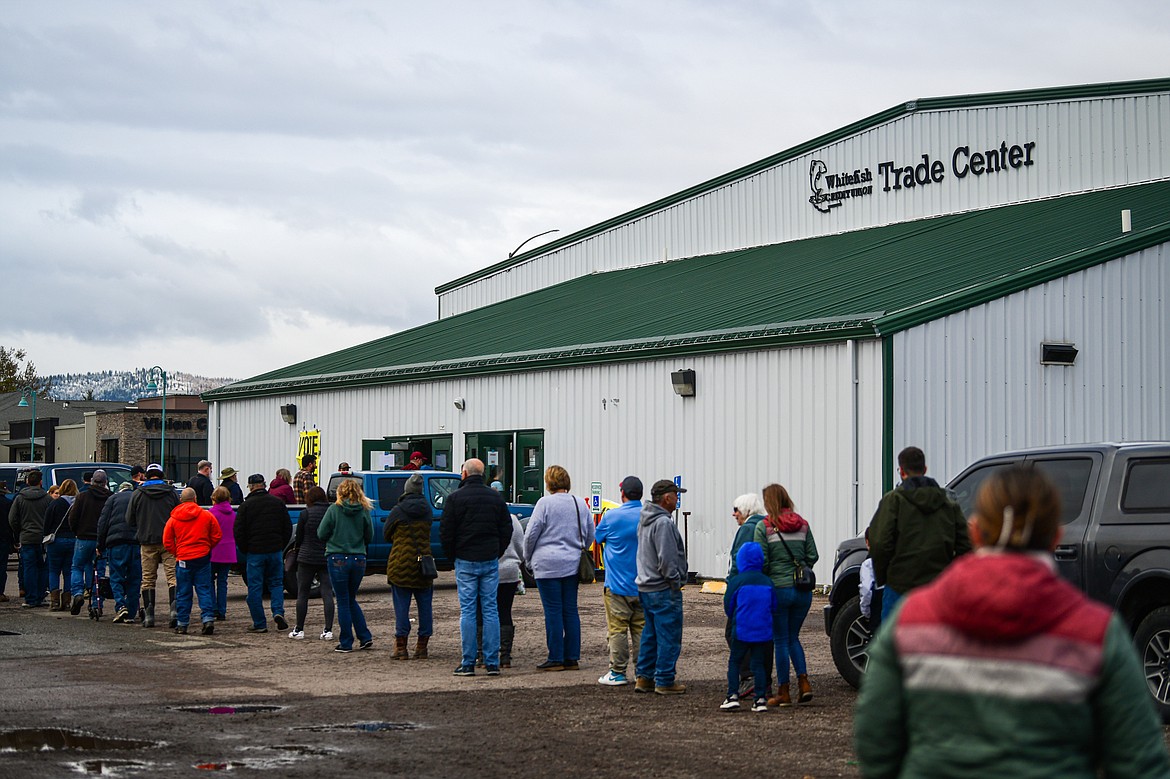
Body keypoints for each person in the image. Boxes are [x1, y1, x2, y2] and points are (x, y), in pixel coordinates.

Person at [855, 465, 1170, 778]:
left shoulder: (911, 621)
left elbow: (875, 740)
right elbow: (1140, 763)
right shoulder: (1097, 634)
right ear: (1055, 538)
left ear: (975, 532)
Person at [868, 445, 970, 622]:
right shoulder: (948, 504)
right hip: (938, 587)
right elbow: (966, 545)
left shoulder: (893, 501)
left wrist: (885, 575)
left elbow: (879, 543)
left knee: (893, 645)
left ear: (901, 471)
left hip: (899, 586)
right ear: (925, 469)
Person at [440, 458, 512, 677]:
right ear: (483, 475)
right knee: (491, 610)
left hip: (465, 559)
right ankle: (492, 662)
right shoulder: (495, 498)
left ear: (464, 474)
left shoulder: (454, 499)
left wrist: (453, 555)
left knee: (468, 611)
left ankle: (469, 661)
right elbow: (506, 529)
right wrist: (496, 551)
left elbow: (446, 532)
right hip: (489, 559)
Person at [523, 465, 595, 673]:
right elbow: (590, 532)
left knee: (553, 611)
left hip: (546, 564)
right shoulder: (579, 503)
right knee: (570, 610)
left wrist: (528, 558)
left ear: (548, 483)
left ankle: (555, 657)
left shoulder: (544, 503)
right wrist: (580, 549)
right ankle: (572, 656)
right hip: (572, 563)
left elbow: (531, 534)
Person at [753, 483, 818, 707]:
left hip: (778, 590)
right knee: (793, 637)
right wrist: (799, 567)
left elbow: (762, 561)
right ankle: (804, 683)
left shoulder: (764, 527)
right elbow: (813, 555)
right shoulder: (803, 525)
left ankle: (783, 691)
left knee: (780, 640)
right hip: (802, 590)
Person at [634, 479, 689, 695]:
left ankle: (644, 677)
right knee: (669, 635)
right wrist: (675, 582)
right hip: (663, 589)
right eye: (676, 495)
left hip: (646, 587)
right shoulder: (664, 523)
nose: (677, 499)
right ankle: (665, 679)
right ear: (667, 498)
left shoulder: (645, 519)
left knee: (650, 633)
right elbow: (666, 559)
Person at [594, 475, 644, 686]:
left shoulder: (611, 517)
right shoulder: (648, 516)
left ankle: (618, 671)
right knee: (642, 629)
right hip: (643, 583)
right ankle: (643, 672)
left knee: (617, 630)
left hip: (616, 585)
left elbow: (596, 538)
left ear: (622, 493)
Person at [317, 478, 374, 653]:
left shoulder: (334, 510)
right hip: (358, 558)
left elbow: (321, 533)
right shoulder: (364, 510)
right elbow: (369, 536)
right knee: (350, 598)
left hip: (337, 557)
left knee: (343, 600)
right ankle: (364, 636)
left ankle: (346, 641)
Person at [720, 542, 777, 712]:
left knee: (735, 662)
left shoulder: (737, 581)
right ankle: (760, 699)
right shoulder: (767, 582)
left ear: (741, 560)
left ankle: (732, 696)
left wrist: (735, 616)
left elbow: (728, 605)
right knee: (758, 664)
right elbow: (774, 606)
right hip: (763, 632)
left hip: (741, 631)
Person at [384, 473, 435, 660]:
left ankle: (401, 647)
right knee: (425, 607)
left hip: (400, 564)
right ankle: (422, 646)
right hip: (424, 565)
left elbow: (386, 534)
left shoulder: (398, 510)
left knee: (401, 608)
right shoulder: (428, 510)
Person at [234, 474, 292, 633]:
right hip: (274, 550)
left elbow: (238, 531)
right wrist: (280, 545)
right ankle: (278, 612)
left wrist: (245, 548)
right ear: (264, 485)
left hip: (255, 552)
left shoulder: (246, 506)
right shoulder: (277, 503)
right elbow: (287, 527)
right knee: (276, 584)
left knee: (255, 587)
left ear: (251, 487)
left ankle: (259, 622)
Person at [726, 492, 771, 696]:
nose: (734, 514)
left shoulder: (748, 528)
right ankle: (764, 681)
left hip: (746, 589)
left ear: (745, 510)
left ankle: (748, 677)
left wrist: (732, 586)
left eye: (736, 510)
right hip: (765, 587)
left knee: (734, 633)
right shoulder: (768, 525)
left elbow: (738, 560)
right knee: (764, 637)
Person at [126, 463, 180, 628]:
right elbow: (178, 515)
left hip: (147, 540)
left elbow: (129, 519)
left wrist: (142, 526)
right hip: (169, 541)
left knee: (148, 579)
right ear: (162, 475)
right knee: (173, 577)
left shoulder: (138, 493)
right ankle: (175, 611)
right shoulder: (171, 492)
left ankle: (149, 615)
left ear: (146, 476)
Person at [163, 487, 222, 635]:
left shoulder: (173, 519)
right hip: (202, 557)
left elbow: (167, 541)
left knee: (183, 592)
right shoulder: (206, 515)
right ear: (195, 499)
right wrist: (207, 547)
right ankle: (208, 619)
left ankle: (182, 624)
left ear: (181, 500)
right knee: (204, 590)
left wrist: (177, 552)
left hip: (183, 558)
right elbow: (217, 535)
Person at [290, 485, 335, 641]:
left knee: (303, 593)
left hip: (307, 556)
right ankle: (328, 629)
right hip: (326, 555)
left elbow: (299, 536)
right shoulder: (331, 512)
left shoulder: (305, 513)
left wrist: (297, 551)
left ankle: (299, 629)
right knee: (327, 592)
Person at [97, 478, 143, 624]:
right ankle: (131, 612)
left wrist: (100, 544)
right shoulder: (137, 497)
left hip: (116, 542)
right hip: (135, 542)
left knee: (116, 576)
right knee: (134, 577)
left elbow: (103, 522)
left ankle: (120, 605)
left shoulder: (112, 499)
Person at [67, 468, 112, 615]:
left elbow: (73, 518)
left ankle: (78, 593)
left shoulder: (82, 497)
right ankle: (96, 602)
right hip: (101, 540)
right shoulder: (110, 498)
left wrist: (77, 532)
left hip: (83, 538)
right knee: (98, 571)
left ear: (92, 481)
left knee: (77, 567)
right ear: (106, 482)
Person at [9, 469, 52, 607]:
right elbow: (52, 518)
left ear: (28, 482)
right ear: (40, 482)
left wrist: (19, 531)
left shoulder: (20, 498)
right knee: (43, 567)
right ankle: (41, 596)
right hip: (43, 538)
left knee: (29, 568)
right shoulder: (47, 499)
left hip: (26, 537)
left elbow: (12, 519)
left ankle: (31, 598)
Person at [43, 478, 78, 612]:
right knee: (68, 571)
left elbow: (47, 523)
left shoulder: (55, 504)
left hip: (56, 540)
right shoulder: (77, 503)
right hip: (72, 539)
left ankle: (55, 601)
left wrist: (46, 535)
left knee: (53, 570)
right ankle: (67, 601)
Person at [208, 486, 237, 621]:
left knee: (209, 581)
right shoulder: (233, 514)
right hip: (229, 551)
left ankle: (213, 608)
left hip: (213, 550)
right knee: (222, 581)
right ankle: (222, 610)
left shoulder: (211, 513)